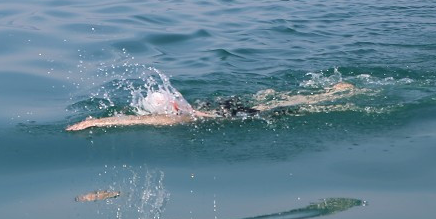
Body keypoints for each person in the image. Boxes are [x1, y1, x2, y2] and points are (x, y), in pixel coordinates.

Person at [65, 81, 357, 131]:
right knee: (274, 101)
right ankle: (330, 92)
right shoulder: (187, 110)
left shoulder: (176, 121)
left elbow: (135, 121)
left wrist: (95, 122)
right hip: (221, 106)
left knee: (278, 110)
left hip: (229, 118)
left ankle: (330, 95)